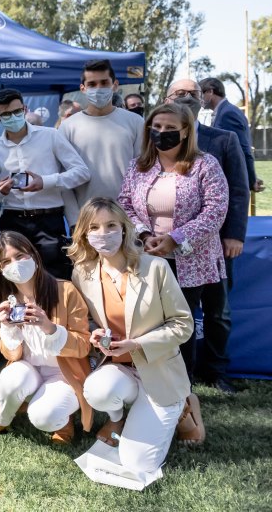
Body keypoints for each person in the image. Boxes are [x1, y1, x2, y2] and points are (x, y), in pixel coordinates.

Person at [68, 197, 203, 475]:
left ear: (125, 228)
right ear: (83, 234)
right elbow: (90, 320)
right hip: (119, 370)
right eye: (94, 227)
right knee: (96, 390)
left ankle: (183, 408)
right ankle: (117, 419)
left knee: (137, 465)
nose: (103, 233)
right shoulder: (82, 273)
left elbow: (183, 324)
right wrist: (94, 333)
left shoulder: (156, 268)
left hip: (159, 371)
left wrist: (137, 344)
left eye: (111, 225)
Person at [117, 103, 229, 384]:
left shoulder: (205, 164)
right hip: (149, 255)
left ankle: (184, 381)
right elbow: (125, 204)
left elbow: (216, 210)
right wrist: (144, 234)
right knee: (151, 320)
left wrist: (176, 239)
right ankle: (152, 377)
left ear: (186, 131)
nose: (161, 133)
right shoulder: (138, 166)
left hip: (192, 259)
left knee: (182, 321)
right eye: (156, 127)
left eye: (169, 128)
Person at [0, 232, 92, 445]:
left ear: (33, 255)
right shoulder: (5, 299)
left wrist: (50, 327)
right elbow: (10, 355)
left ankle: (63, 420)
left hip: (64, 372)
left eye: (20, 256)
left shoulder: (65, 290)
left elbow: (83, 346)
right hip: (29, 367)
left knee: (42, 416)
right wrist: (7, 327)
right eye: (6, 261)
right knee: (10, 378)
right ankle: (2, 418)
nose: (14, 264)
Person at [167, 80, 249, 393]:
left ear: (204, 100)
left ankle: (216, 373)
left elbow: (239, 190)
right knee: (177, 313)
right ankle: (180, 374)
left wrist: (234, 235)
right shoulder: (157, 140)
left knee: (218, 312)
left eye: (194, 94)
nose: (187, 98)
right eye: (180, 93)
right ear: (167, 99)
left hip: (216, 246)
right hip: (173, 247)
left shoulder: (224, 139)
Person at [0, 88, 90, 279]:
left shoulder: (50, 135)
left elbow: (81, 172)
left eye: (17, 112)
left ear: (25, 108)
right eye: (6, 114)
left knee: (55, 278)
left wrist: (46, 181)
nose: (13, 117)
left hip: (49, 220)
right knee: (16, 279)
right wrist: (0, 191)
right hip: (13, 220)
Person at [59, 59, 144, 223]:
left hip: (129, 220)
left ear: (115, 85)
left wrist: (138, 221)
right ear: (83, 88)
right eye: (92, 84)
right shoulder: (67, 128)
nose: (99, 88)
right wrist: (75, 221)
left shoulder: (135, 122)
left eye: (104, 82)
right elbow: (65, 180)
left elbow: (143, 173)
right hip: (86, 221)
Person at [200, 76, 264, 193]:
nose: (199, 99)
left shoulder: (227, 114)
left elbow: (243, 148)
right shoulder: (226, 111)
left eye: (201, 94)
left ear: (210, 91)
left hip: (231, 183)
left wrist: (251, 179)